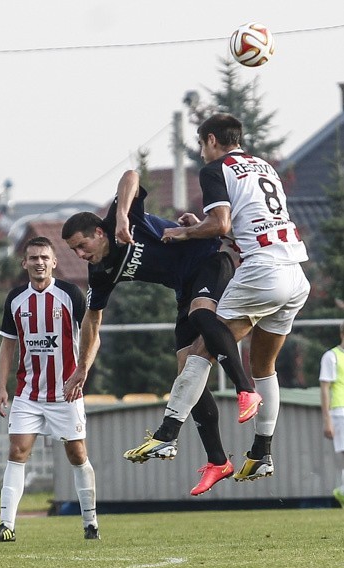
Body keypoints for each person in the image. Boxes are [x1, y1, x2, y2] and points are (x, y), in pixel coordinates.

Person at [127, 113, 310, 487]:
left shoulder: (214, 169)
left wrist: (182, 232)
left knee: (201, 348)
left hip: (262, 271)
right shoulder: (264, 167)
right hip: (295, 271)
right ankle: (261, 453)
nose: (201, 151)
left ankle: (167, 433)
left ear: (211, 140)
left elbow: (222, 225)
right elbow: (246, 223)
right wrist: (202, 226)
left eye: (200, 144)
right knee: (264, 366)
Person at [61, 169, 262, 496]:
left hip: (211, 259)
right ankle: (218, 461)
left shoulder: (117, 223)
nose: (81, 255)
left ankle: (246, 389)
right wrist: (82, 367)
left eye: (82, 246)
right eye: (75, 252)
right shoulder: (101, 272)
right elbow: (92, 321)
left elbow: (131, 175)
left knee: (201, 314)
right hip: (184, 288)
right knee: (186, 372)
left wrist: (123, 217)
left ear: (99, 232)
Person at [0, 237, 100, 543]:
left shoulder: (70, 294)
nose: (39, 262)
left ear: (53, 262)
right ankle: (7, 524)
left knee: (76, 454)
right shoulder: (15, 299)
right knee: (17, 451)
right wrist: (1, 388)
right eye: (33, 258)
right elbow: (8, 345)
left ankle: (90, 523)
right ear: (25, 264)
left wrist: (82, 371)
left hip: (66, 392)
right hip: (28, 393)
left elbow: (93, 335)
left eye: (44, 258)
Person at [319, 321, 344, 507]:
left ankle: (342, 491)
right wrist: (326, 419)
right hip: (340, 411)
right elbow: (325, 389)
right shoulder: (331, 356)